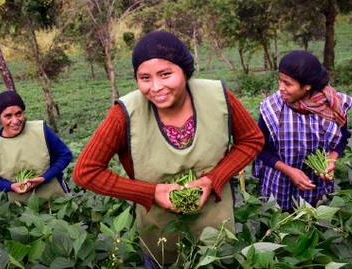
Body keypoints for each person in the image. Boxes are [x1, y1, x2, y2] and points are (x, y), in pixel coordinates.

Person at [72, 30, 264, 268]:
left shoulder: (218, 96)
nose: (156, 87)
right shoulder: (124, 114)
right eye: (145, 78)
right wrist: (151, 192)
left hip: (217, 229)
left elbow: (252, 140)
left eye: (165, 74)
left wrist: (212, 180)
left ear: (184, 70)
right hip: (160, 235)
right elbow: (85, 171)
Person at [252, 50, 352, 212]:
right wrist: (289, 171)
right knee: (281, 225)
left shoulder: (332, 105)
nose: (281, 89)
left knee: (313, 221)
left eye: (288, 84)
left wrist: (331, 159)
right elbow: (261, 149)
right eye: (280, 81)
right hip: (279, 183)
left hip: (316, 184)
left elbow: (343, 138)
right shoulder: (272, 108)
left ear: (307, 86)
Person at [0, 91, 73, 204]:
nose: (15, 121)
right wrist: (11, 186)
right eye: (8, 116)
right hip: (21, 207)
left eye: (19, 114)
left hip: (56, 198)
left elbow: (65, 155)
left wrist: (44, 178)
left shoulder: (40, 130)